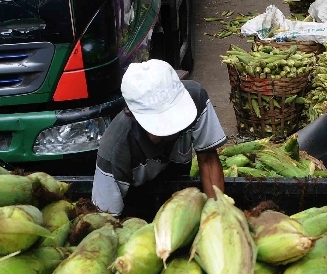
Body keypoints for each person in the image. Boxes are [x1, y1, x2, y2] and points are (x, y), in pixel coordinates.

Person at [92, 59, 227, 217]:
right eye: (159, 124)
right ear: (131, 115)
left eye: (173, 119)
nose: (168, 131)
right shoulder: (115, 149)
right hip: (134, 204)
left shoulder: (196, 99)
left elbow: (208, 160)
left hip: (179, 190)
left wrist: (219, 219)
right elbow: (107, 220)